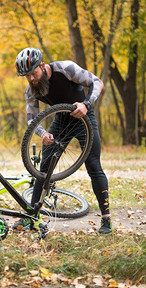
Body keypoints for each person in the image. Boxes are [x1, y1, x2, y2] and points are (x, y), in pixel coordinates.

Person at [14, 47, 112, 234]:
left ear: (42, 66)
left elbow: (97, 82)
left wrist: (86, 104)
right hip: (60, 121)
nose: (32, 79)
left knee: (93, 165)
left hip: (84, 118)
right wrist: (43, 134)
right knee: (43, 169)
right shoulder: (31, 90)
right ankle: (31, 216)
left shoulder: (65, 69)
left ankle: (106, 218)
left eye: (33, 73)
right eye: (27, 76)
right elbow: (32, 119)